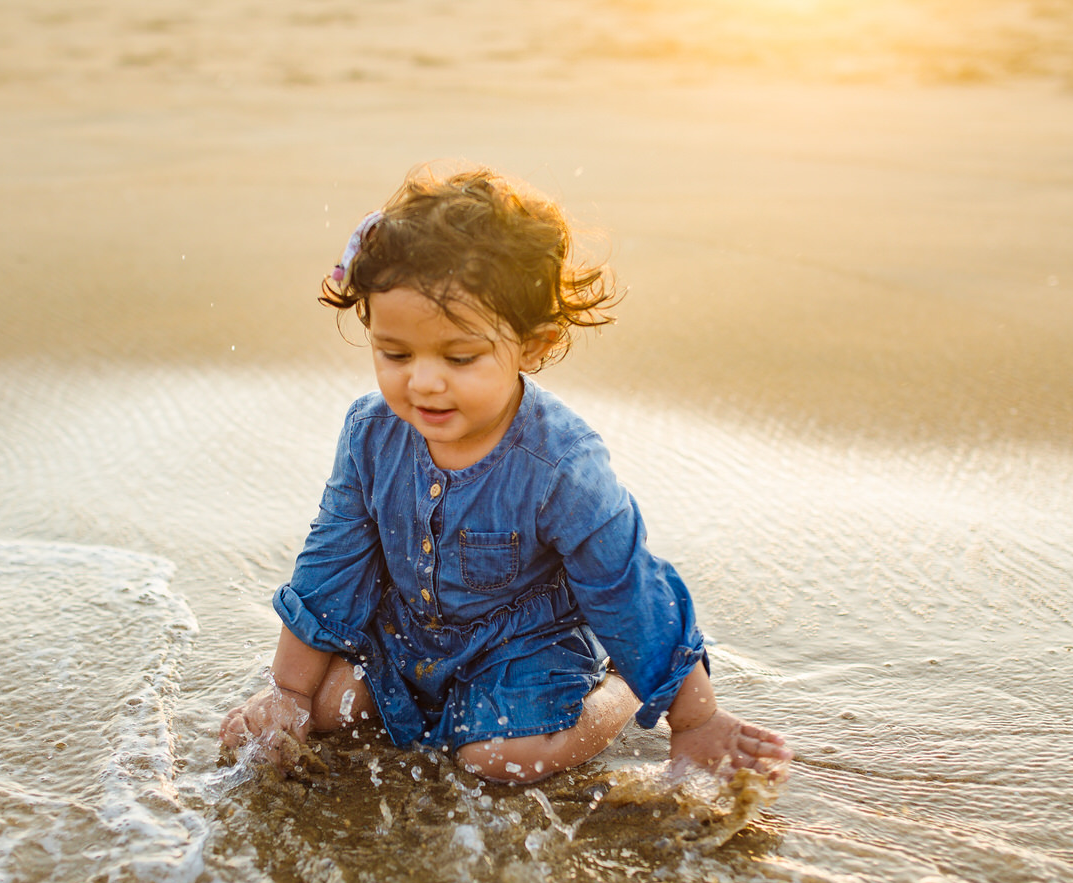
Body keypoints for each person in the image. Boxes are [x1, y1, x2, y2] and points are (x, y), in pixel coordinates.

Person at [220, 165, 792, 785]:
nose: (424, 381)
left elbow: (624, 581)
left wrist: (695, 716)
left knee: (499, 762)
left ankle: (620, 690)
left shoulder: (561, 462)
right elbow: (332, 565)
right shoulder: (371, 433)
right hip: (406, 637)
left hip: (525, 647)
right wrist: (289, 694)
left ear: (534, 344)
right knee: (334, 709)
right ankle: (368, 700)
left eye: (460, 357)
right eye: (396, 353)